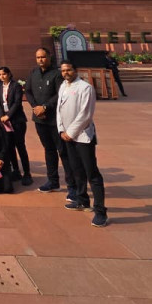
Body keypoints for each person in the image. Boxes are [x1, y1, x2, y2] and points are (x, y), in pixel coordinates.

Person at [57, 60, 108, 227]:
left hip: (83, 137)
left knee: (91, 173)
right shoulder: (63, 86)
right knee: (76, 170)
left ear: (75, 70)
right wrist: (61, 130)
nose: (65, 73)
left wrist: (70, 132)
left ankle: (100, 211)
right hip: (67, 136)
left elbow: (85, 114)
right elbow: (59, 110)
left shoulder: (86, 88)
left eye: (68, 70)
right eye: (63, 70)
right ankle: (82, 200)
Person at [27, 48, 74, 198]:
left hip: (55, 120)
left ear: (49, 57)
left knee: (63, 152)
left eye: (43, 57)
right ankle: (53, 181)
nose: (40, 60)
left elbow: (60, 94)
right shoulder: (33, 73)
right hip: (39, 119)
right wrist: (35, 107)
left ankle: (72, 186)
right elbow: (28, 91)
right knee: (49, 150)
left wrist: (45, 107)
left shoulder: (56, 74)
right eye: (38, 57)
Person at [0, 66, 33, 185]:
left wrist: (8, 116)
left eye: (4, 74)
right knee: (9, 147)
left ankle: (27, 173)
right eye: (0, 75)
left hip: (16, 120)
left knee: (20, 146)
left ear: (9, 74)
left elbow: (17, 102)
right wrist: (1, 116)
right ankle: (16, 170)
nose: (2, 76)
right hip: (4, 121)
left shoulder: (16, 86)